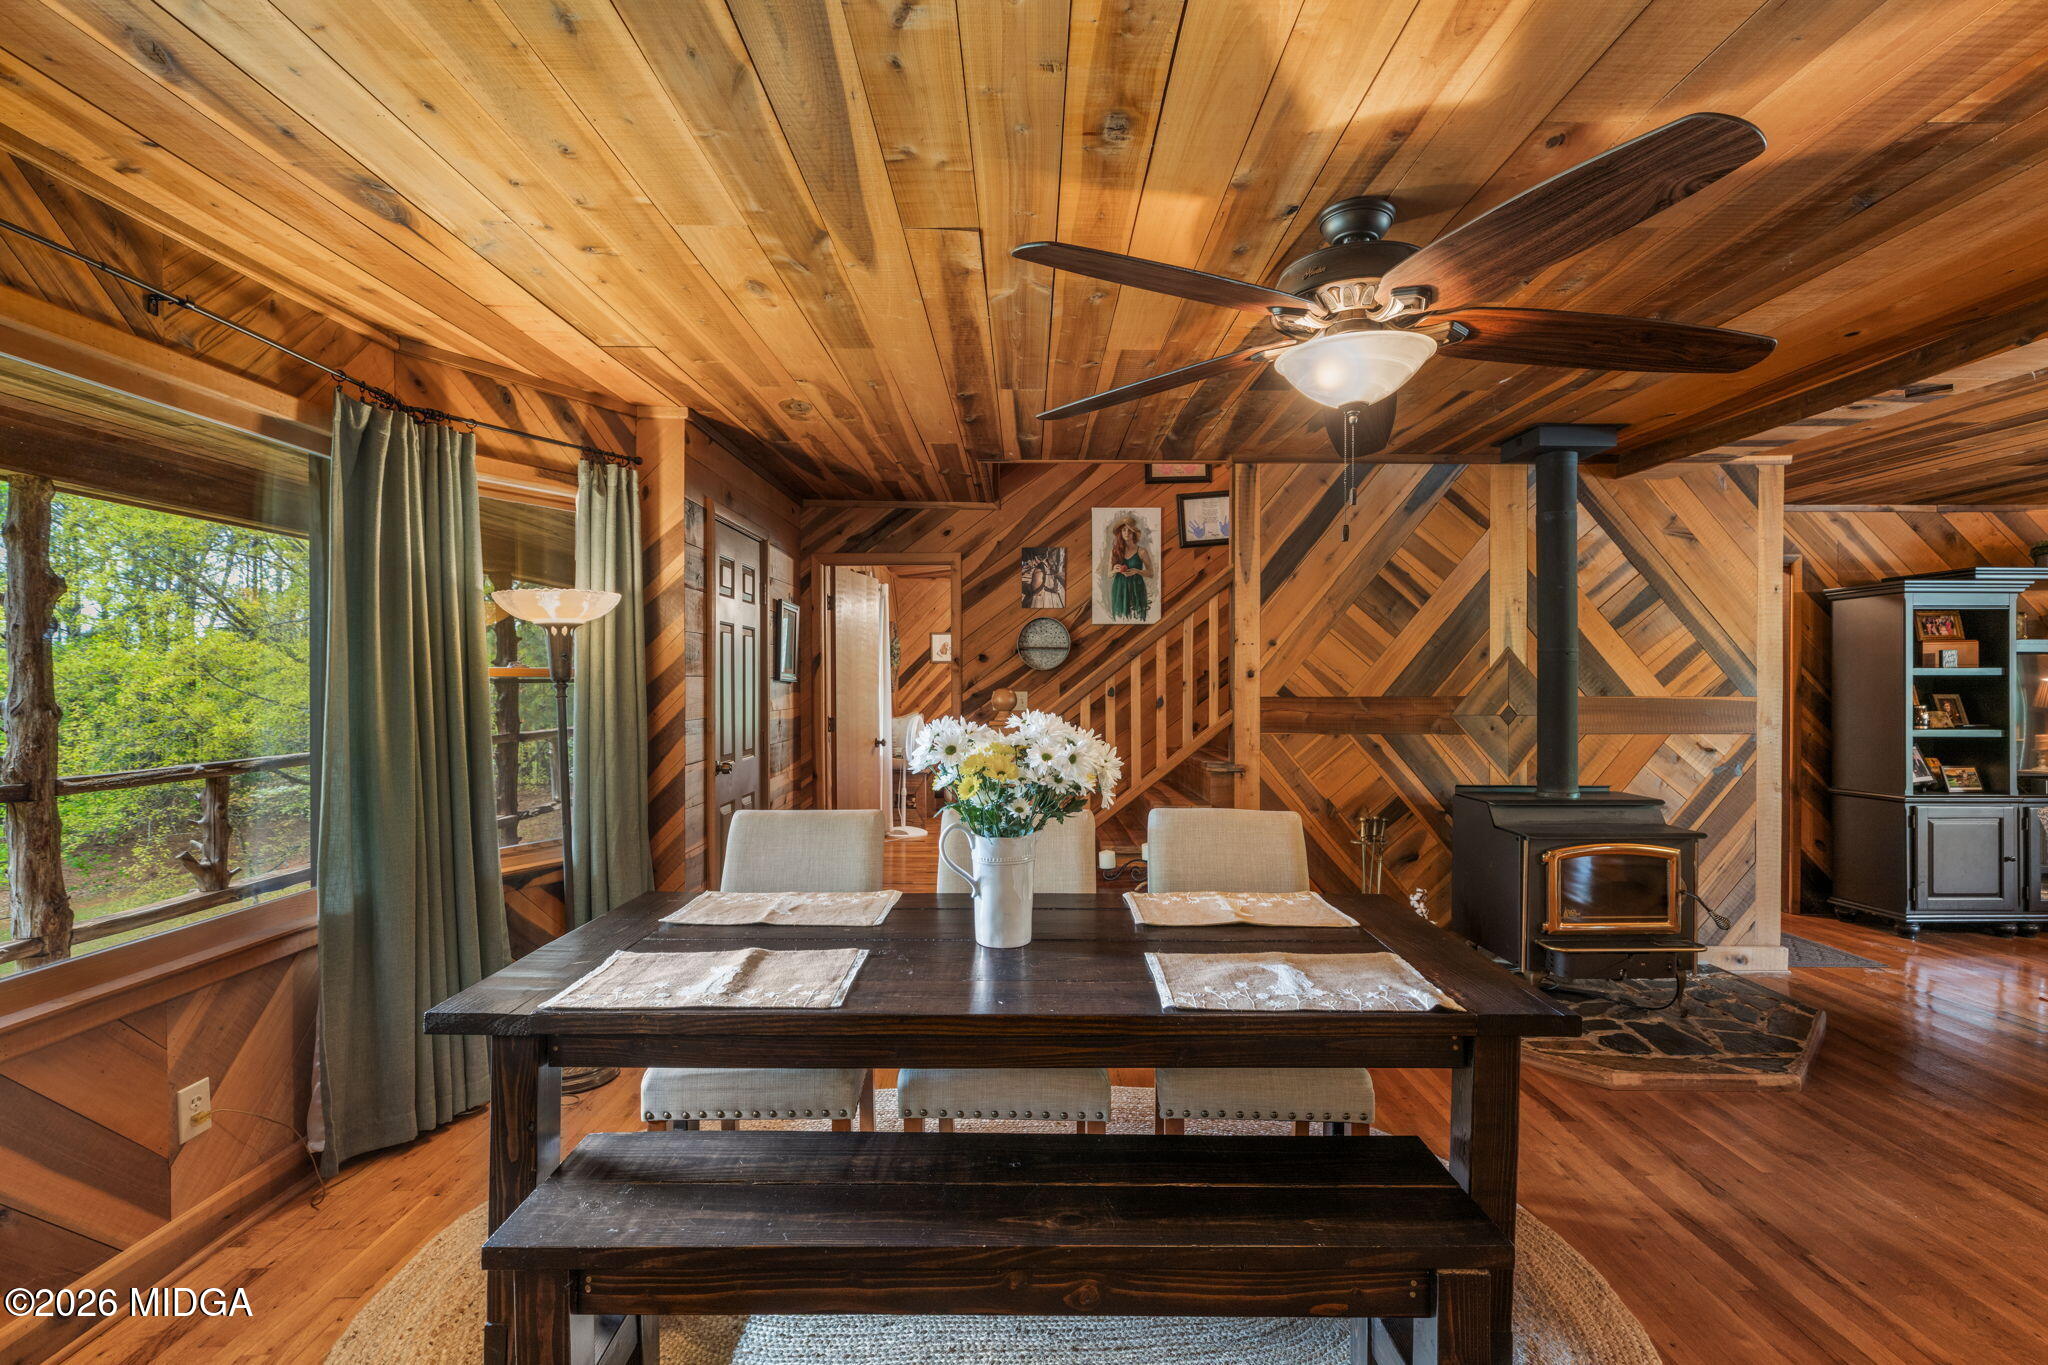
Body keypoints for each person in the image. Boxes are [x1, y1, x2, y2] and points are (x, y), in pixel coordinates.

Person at [1105, 515, 1152, 622]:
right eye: (1123, 530)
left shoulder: (1142, 551)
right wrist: (1114, 570)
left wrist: (1137, 571)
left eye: (1129, 531)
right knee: (1121, 618)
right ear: (1120, 533)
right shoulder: (1115, 551)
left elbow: (1151, 573)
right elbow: (1109, 574)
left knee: (1137, 617)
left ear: (1134, 533)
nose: (1126, 533)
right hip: (1119, 588)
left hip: (1136, 588)